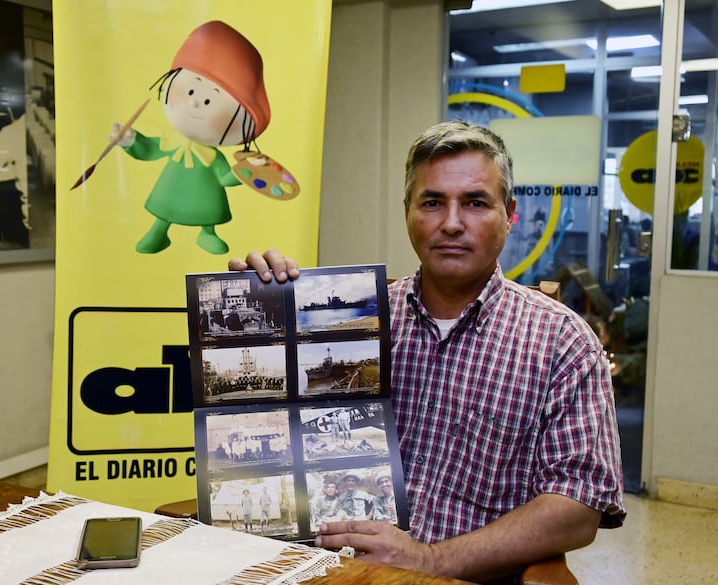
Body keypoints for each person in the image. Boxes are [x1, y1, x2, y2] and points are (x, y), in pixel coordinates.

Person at [228, 120, 626, 584]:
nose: (452, 223)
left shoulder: (561, 342)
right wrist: (257, 310)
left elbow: (578, 508)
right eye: (433, 202)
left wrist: (430, 561)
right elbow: (266, 436)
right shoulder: (351, 323)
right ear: (408, 212)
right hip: (326, 566)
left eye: (475, 203)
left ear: (509, 214)